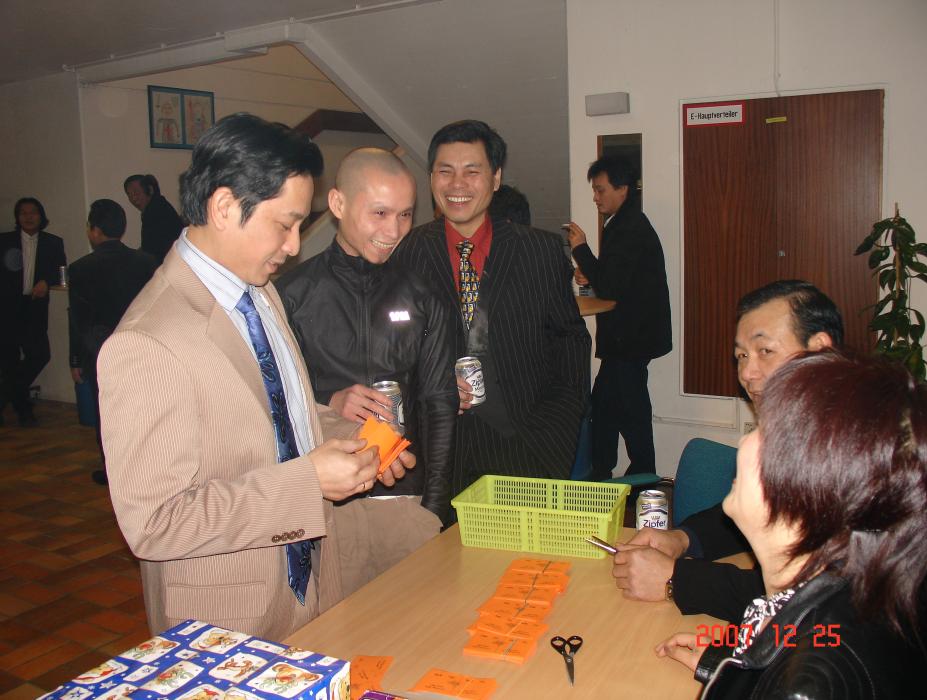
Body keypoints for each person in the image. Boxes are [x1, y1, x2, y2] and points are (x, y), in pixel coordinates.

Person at [99, 113, 412, 640]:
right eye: (284, 224)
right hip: (227, 617)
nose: (293, 246)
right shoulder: (146, 341)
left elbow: (277, 414)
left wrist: (351, 438)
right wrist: (309, 481)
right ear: (224, 207)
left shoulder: (259, 292)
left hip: (311, 581)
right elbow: (155, 523)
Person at [656, 351, 927, 697]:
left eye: (764, 430)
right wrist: (737, 669)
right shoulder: (861, 590)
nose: (743, 442)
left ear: (805, 480)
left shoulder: (806, 688)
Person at [276, 148, 457, 593]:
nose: (393, 231)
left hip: (406, 498)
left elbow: (440, 402)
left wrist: (433, 505)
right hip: (327, 503)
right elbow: (267, 399)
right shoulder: (291, 295)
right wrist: (328, 400)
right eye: (379, 213)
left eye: (405, 214)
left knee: (415, 622)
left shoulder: (423, 294)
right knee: (335, 628)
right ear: (338, 204)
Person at [613, 280, 843, 622]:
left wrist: (676, 580)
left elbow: (810, 602)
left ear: (819, 349)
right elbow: (759, 516)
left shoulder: (859, 452)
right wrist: (683, 539)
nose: (747, 373)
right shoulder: (802, 431)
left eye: (765, 351)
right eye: (741, 356)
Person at [392, 119, 590, 499]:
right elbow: (393, 351)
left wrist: (558, 431)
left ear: (496, 178)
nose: (457, 184)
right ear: (431, 178)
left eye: (472, 171)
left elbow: (570, 343)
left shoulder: (540, 251)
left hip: (527, 449)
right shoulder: (407, 253)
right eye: (445, 171)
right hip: (435, 452)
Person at [565, 156, 672, 479]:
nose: (595, 197)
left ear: (622, 189)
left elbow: (612, 285)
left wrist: (581, 249)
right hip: (630, 339)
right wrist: (590, 273)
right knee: (608, 407)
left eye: (600, 190)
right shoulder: (624, 223)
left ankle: (638, 476)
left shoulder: (629, 227)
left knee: (626, 410)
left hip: (631, 339)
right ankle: (606, 473)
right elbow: (615, 279)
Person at [68, 199, 158, 485]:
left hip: (100, 349)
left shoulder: (80, 268)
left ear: (95, 230)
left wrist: (76, 359)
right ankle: (147, 465)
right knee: (143, 410)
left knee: (107, 414)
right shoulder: (146, 262)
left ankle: (113, 470)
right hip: (141, 346)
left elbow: (79, 320)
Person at [0, 197, 66, 427]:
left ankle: (4, 397)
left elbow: (61, 271)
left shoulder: (53, 242)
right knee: (8, 362)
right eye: (23, 213)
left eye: (33, 212)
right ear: (17, 217)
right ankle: (24, 410)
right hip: (7, 309)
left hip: (35, 308)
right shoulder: (4, 241)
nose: (28, 217)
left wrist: (46, 281)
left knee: (40, 355)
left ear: (41, 215)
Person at [124, 174, 184, 264]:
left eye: (136, 193)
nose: (133, 198)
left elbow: (152, 251)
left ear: (150, 190)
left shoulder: (156, 211)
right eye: (129, 195)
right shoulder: (158, 206)